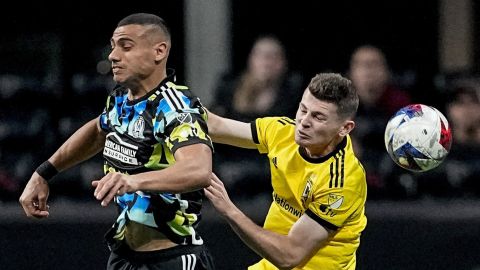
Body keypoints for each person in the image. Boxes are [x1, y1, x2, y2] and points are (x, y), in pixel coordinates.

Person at [18, 13, 216, 270]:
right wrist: (43, 172)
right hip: (124, 255)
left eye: (126, 46)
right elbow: (98, 130)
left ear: (159, 51)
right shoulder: (121, 98)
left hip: (173, 258)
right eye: (113, 46)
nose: (113, 56)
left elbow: (199, 170)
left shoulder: (175, 107)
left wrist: (132, 181)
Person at [205, 73, 367, 269]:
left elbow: (289, 256)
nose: (304, 122)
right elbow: (214, 126)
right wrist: (175, 102)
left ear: (345, 128)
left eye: (318, 117)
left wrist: (229, 210)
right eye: (303, 109)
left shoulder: (343, 181)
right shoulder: (283, 132)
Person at [210, 34, 305, 198]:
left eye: (274, 56)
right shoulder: (228, 91)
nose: (267, 62)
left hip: (274, 170)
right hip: (231, 168)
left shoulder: (294, 95)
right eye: (261, 55)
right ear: (251, 60)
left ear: (283, 63)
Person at [347, 45, 412, 198]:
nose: (368, 71)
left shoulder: (401, 104)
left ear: (386, 72)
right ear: (350, 73)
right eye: (362, 65)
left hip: (394, 183)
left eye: (374, 64)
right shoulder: (338, 105)